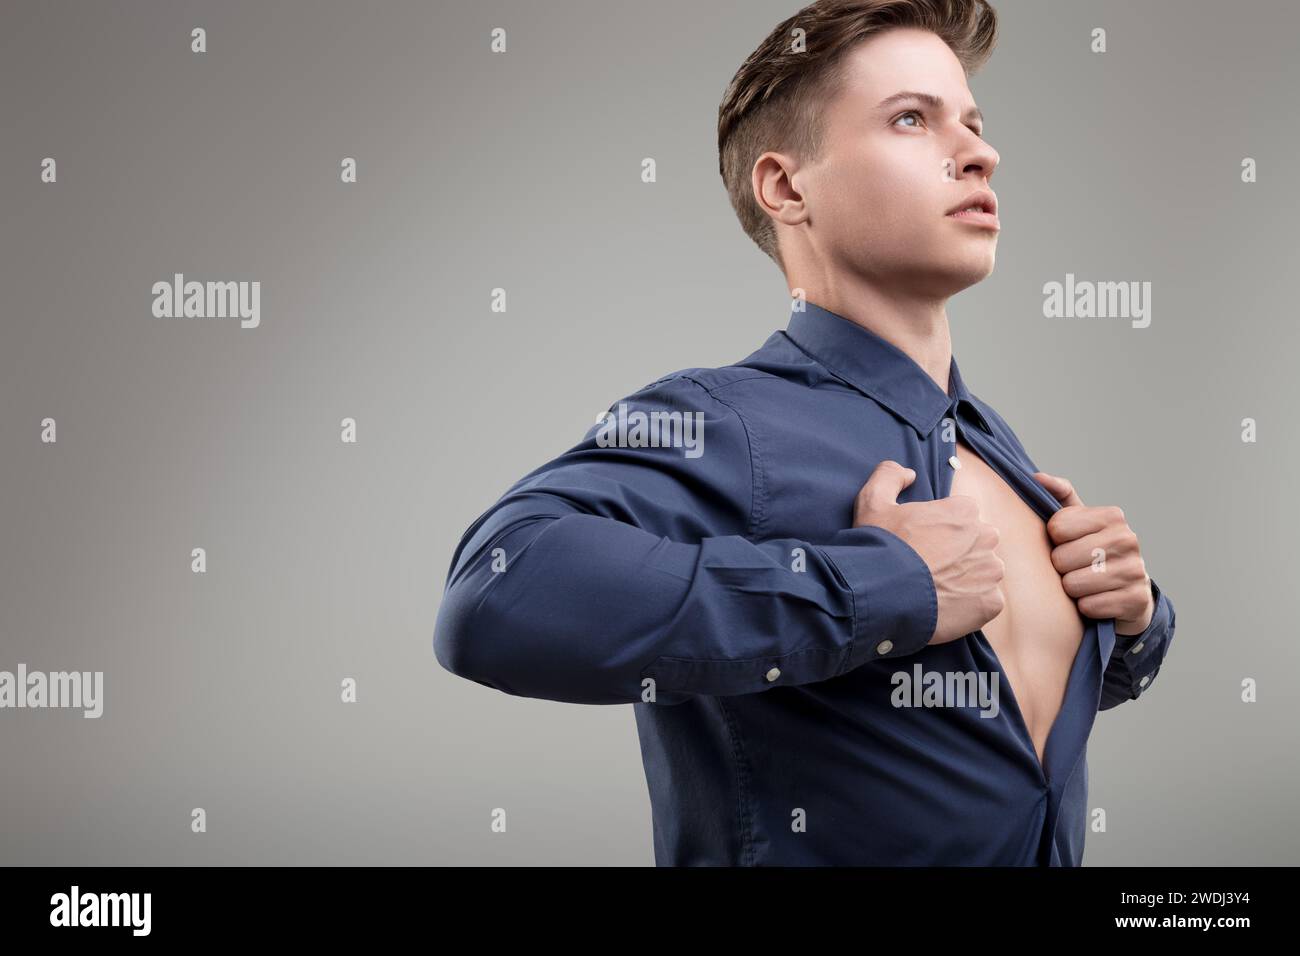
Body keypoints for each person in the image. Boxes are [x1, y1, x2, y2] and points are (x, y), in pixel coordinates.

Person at [433, 0, 1176, 866]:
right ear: (787, 188)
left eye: (973, 122)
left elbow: (986, 734)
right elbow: (493, 594)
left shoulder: (998, 452)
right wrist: (872, 587)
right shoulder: (725, 422)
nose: (981, 151)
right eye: (911, 119)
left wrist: (1134, 625)